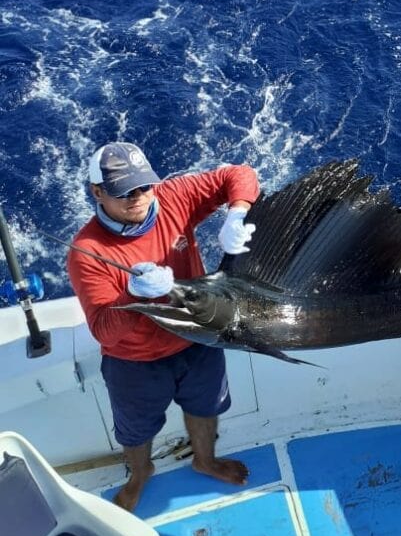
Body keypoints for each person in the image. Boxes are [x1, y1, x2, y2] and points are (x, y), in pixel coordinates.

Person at [67, 141, 260, 513]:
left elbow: (241, 174)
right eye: (123, 192)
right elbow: (104, 330)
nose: (137, 198)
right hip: (135, 361)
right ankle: (140, 474)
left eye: (143, 186)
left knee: (205, 408)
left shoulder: (173, 196)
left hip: (198, 339)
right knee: (135, 433)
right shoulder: (86, 251)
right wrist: (134, 296)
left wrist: (236, 214)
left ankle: (205, 460)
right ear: (97, 192)